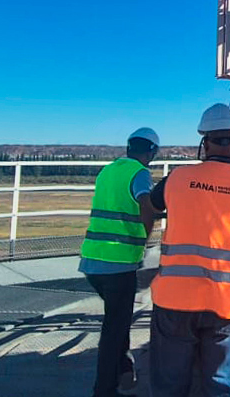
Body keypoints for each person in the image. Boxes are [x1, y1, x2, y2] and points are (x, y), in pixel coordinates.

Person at [149, 104, 230, 397]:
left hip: (176, 299)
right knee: (219, 387)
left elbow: (153, 204)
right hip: (228, 303)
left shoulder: (177, 178)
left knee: (169, 387)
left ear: (205, 142)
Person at [79, 127, 162, 397]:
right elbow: (145, 204)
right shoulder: (139, 173)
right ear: (151, 152)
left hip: (93, 259)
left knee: (117, 318)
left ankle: (125, 368)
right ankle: (104, 389)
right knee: (114, 329)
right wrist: (145, 240)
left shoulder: (108, 170)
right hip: (119, 261)